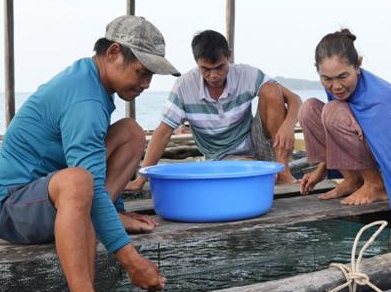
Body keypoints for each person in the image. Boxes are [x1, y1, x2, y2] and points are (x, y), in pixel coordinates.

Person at [0, 15, 179, 292]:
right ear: (113, 53)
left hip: (57, 196)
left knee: (130, 132)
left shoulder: (90, 79)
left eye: (151, 76)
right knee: (79, 181)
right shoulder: (84, 101)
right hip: (13, 207)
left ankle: (106, 214)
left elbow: (92, 169)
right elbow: (84, 178)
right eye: (141, 72)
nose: (146, 84)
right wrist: (131, 260)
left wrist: (112, 211)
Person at [298, 28, 391, 249]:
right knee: (309, 109)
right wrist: (321, 170)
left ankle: (374, 184)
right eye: (326, 79)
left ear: (357, 65)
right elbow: (332, 128)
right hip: (370, 153)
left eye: (343, 77)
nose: (336, 86)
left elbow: (390, 163)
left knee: (332, 111)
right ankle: (352, 180)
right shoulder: (337, 87)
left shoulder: (377, 101)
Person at [125, 30, 302, 190]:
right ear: (197, 63)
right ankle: (270, 173)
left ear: (229, 57)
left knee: (271, 89)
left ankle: (284, 172)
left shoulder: (246, 74)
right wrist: (141, 178)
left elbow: (294, 99)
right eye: (206, 70)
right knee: (252, 176)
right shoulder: (184, 86)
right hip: (223, 157)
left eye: (220, 67)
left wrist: (288, 125)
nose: (214, 76)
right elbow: (163, 132)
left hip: (258, 143)